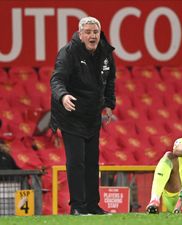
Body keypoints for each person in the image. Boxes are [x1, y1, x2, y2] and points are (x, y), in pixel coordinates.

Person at [50, 16, 116, 215]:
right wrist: (63, 96)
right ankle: (77, 207)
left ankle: (93, 206)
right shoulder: (68, 52)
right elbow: (56, 79)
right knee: (76, 161)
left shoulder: (105, 52)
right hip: (70, 114)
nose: (92, 35)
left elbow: (110, 79)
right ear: (80, 34)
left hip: (91, 116)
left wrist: (109, 104)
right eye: (87, 32)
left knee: (91, 162)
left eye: (95, 32)